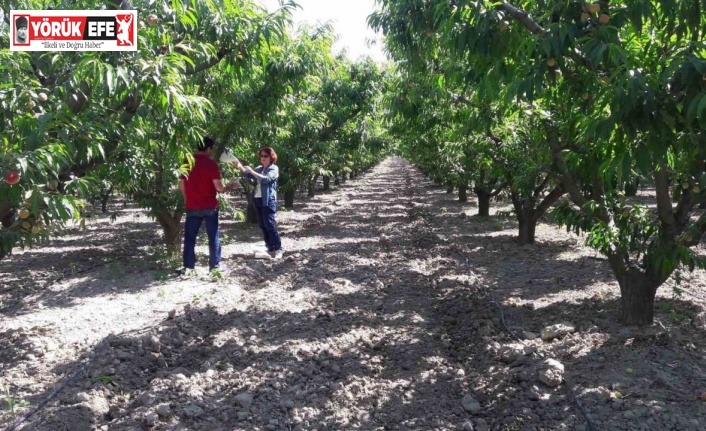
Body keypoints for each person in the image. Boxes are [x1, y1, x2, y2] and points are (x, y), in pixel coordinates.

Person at [177, 136, 238, 275]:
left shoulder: (186, 162)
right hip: (210, 206)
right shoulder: (211, 165)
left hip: (192, 206)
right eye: (212, 149)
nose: (212, 152)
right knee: (213, 237)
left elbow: (181, 186)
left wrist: (187, 199)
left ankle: (189, 268)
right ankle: (214, 268)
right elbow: (219, 188)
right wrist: (231, 185)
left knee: (190, 238)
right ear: (209, 148)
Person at [235, 147, 283, 259]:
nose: (263, 158)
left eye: (266, 156)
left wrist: (252, 172)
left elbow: (266, 179)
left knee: (270, 224)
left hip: (268, 200)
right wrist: (239, 166)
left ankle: (278, 248)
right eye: (261, 156)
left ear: (271, 157)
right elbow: (248, 176)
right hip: (257, 199)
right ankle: (269, 247)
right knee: (262, 224)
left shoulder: (273, 168)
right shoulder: (259, 168)